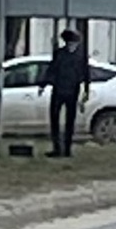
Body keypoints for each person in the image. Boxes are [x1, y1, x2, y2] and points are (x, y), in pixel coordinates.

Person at [39, 28, 91, 157]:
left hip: (73, 91)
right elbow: (52, 69)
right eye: (69, 42)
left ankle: (67, 149)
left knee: (70, 121)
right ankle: (57, 148)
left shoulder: (81, 56)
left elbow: (86, 74)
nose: (71, 45)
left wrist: (86, 91)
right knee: (54, 119)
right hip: (58, 90)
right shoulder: (60, 53)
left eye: (73, 42)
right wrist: (43, 84)